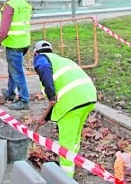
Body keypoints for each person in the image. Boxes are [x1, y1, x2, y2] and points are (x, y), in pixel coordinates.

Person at [32, 40, 97, 178]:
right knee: (74, 135)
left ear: (35, 53)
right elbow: (56, 97)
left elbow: (43, 69)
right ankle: (74, 160)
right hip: (88, 96)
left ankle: (66, 175)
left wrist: (50, 95)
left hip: (72, 101)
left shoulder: (41, 59)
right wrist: (48, 117)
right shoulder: (59, 60)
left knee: (66, 140)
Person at [0, 0, 32, 110]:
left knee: (17, 72)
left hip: (14, 43)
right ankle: (10, 93)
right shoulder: (25, 4)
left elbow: (4, 30)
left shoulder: (9, 6)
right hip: (24, 42)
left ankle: (24, 100)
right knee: (13, 70)